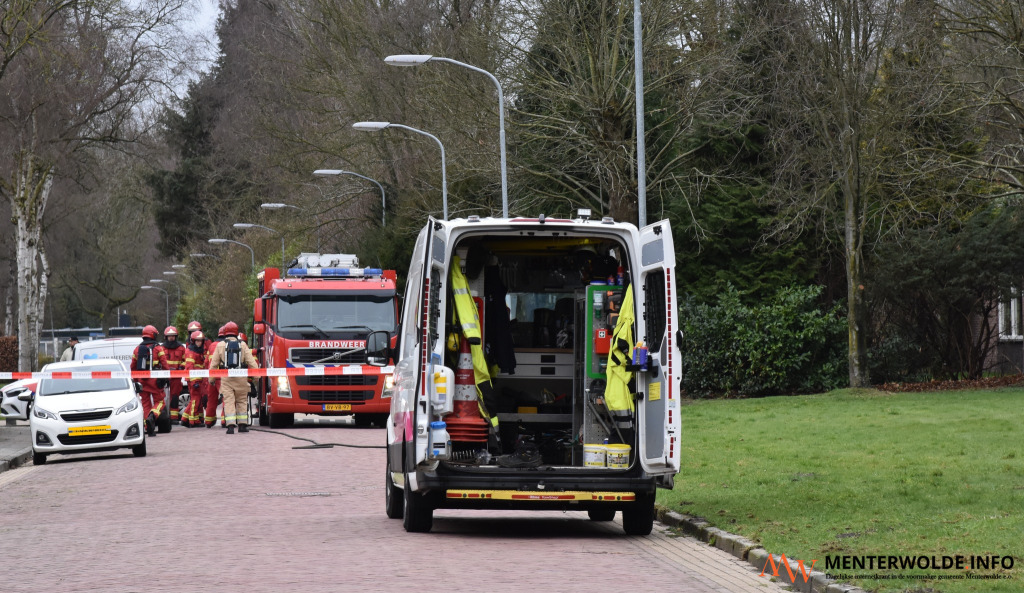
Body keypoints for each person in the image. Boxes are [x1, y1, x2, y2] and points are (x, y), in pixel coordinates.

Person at [207, 321, 258, 434]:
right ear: (236, 332)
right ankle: (242, 425)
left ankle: (230, 426)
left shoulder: (220, 345)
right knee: (241, 401)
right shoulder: (243, 345)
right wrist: (256, 377)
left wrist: (211, 379)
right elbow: (252, 362)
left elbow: (214, 364)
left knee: (229, 401)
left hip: (226, 378)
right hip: (241, 377)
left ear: (225, 332)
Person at [131, 325, 165, 436]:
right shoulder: (158, 348)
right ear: (153, 335)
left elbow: (133, 367)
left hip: (142, 381)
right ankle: (152, 416)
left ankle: (148, 427)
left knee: (145, 404)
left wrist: (136, 381)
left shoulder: (137, 349)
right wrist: (166, 377)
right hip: (154, 380)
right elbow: (165, 364)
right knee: (160, 402)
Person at [155, 326, 187, 424]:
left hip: (176, 376)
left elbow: (186, 360)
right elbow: (157, 361)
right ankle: (163, 416)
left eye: (173, 336)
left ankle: (173, 418)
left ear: (176, 336)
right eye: (169, 336)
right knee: (162, 396)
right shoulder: (161, 348)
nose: (171, 338)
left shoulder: (181, 348)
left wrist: (181, 367)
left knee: (174, 396)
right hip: (164, 376)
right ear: (166, 337)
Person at [180, 330, 209, 427]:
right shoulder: (191, 351)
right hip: (194, 379)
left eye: (201, 341)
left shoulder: (199, 350)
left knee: (195, 399)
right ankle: (192, 421)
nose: (199, 343)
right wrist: (194, 381)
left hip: (199, 379)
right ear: (193, 341)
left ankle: (184, 419)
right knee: (195, 400)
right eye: (197, 341)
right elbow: (190, 367)